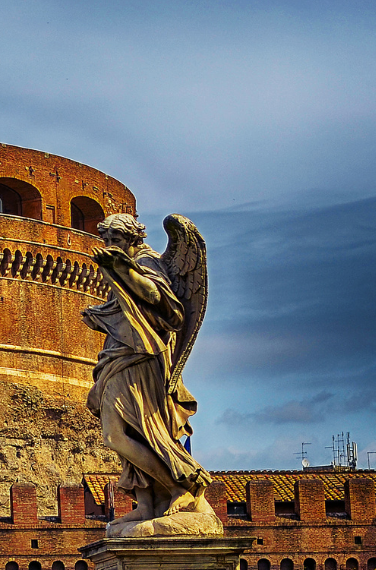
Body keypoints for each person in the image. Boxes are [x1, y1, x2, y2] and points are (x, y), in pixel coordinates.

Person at [82, 213, 215, 531]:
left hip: (145, 359)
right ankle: (147, 502)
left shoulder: (147, 260)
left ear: (132, 238)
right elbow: (126, 312)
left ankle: (183, 485)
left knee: (145, 429)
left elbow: (161, 301)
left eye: (116, 239)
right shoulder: (121, 263)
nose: (111, 245)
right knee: (117, 435)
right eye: (107, 240)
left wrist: (123, 269)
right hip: (118, 355)